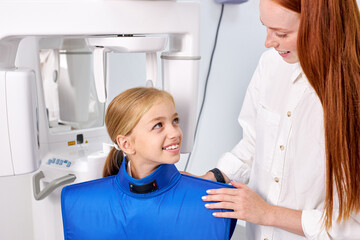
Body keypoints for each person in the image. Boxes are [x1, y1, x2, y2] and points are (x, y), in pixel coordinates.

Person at [197, 0, 360, 239]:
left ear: (322, 26)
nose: (268, 42)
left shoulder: (352, 96)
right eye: (265, 27)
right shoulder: (270, 65)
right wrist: (211, 179)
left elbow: (353, 225)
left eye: (281, 33)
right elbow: (253, 143)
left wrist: (268, 214)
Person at [61, 87, 236, 240]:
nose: (174, 132)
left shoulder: (216, 202)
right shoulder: (79, 202)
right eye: (158, 125)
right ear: (126, 144)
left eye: (175, 120)